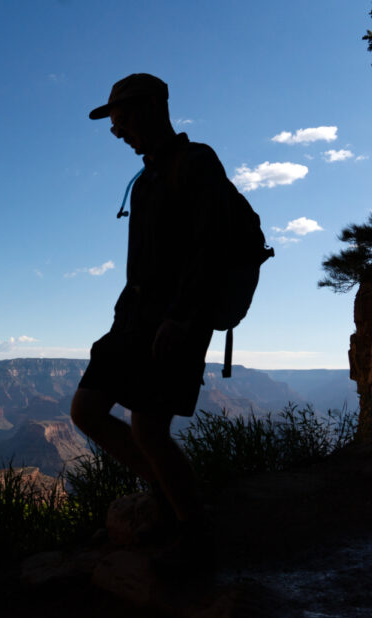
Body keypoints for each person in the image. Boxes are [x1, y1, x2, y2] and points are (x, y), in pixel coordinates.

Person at [71, 73, 231, 573]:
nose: (116, 132)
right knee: (87, 410)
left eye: (120, 120)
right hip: (134, 320)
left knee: (148, 427)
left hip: (175, 322)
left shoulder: (195, 163)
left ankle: (192, 531)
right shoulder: (146, 179)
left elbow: (210, 246)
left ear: (148, 110)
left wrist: (182, 317)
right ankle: (169, 501)